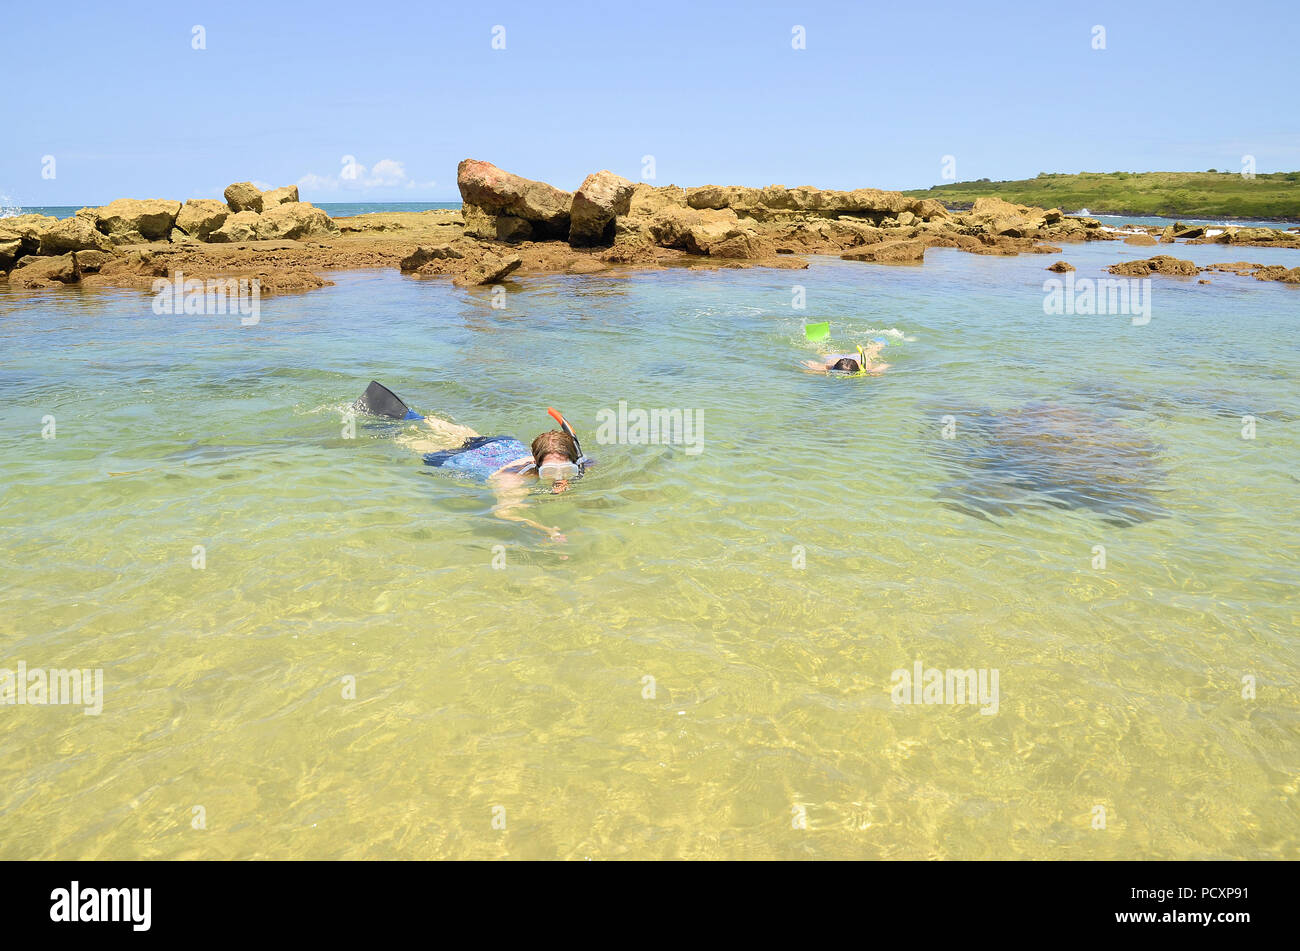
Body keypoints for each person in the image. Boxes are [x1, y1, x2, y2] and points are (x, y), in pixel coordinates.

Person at [354, 382, 587, 541]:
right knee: (412, 441)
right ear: (537, 465)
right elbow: (506, 512)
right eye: (550, 472)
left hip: (501, 445)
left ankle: (421, 418)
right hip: (461, 458)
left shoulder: (573, 465)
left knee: (460, 434)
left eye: (565, 469)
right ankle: (394, 423)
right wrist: (545, 529)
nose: (558, 475)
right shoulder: (511, 482)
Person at [801, 341, 890, 376]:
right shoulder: (866, 370)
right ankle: (880, 343)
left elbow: (811, 366)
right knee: (871, 352)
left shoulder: (828, 368)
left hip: (836, 358)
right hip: (853, 358)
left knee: (822, 352)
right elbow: (884, 365)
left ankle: (880, 343)